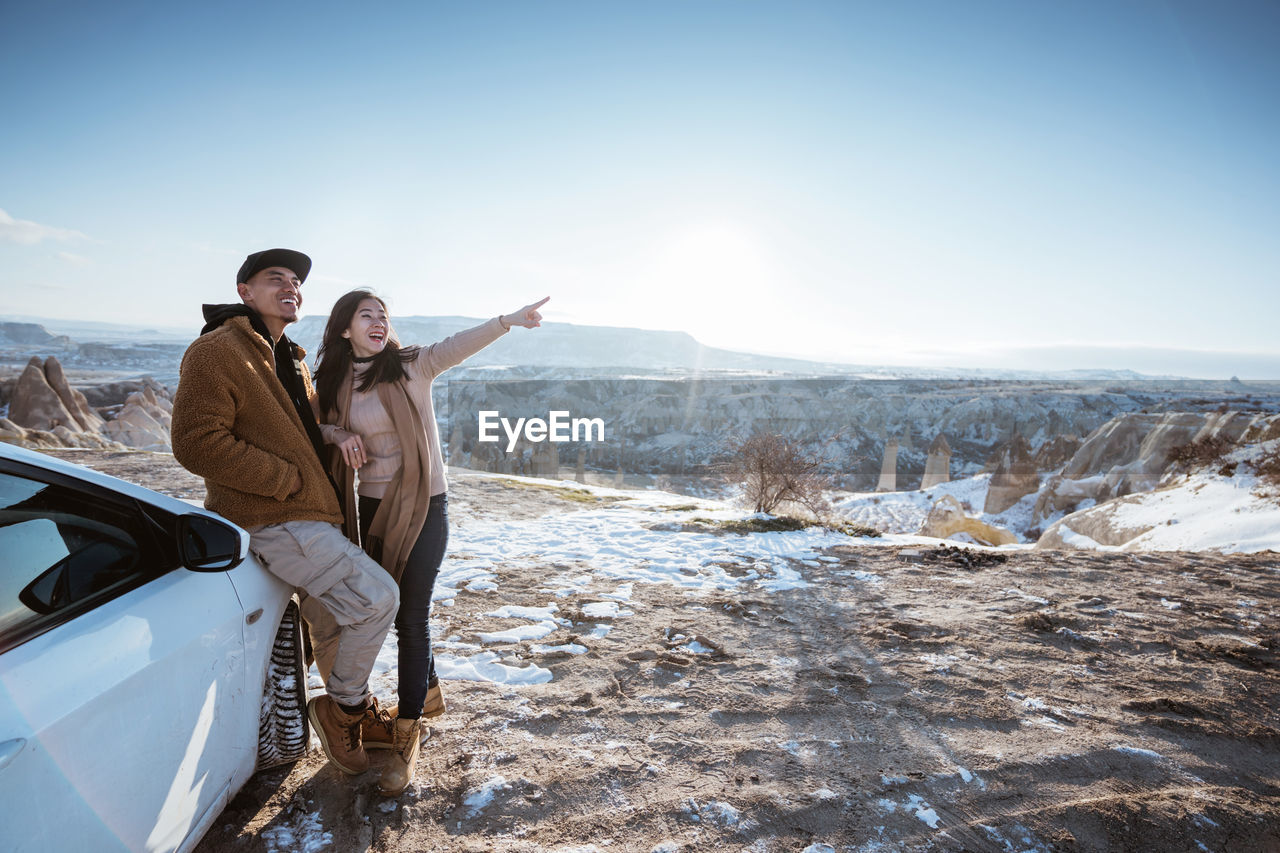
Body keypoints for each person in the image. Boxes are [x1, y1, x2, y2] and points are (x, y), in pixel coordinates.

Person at [170, 248, 400, 779]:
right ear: (245, 291)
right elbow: (195, 442)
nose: (290, 287)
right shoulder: (218, 351)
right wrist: (284, 480)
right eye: (276, 279)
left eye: (296, 281)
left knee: (336, 629)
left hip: (308, 516)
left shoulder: (288, 355)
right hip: (277, 519)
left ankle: (348, 716)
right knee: (378, 597)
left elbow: (294, 430)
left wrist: (334, 432)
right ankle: (341, 711)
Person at [312, 289, 548, 795]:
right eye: (366, 315)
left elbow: (455, 345)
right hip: (373, 510)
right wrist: (336, 435)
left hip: (425, 507)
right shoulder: (334, 382)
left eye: (383, 315)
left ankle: (406, 731)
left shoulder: (410, 366)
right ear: (344, 329)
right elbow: (314, 423)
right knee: (389, 608)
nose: (378, 322)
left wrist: (507, 320)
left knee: (411, 615)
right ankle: (431, 691)